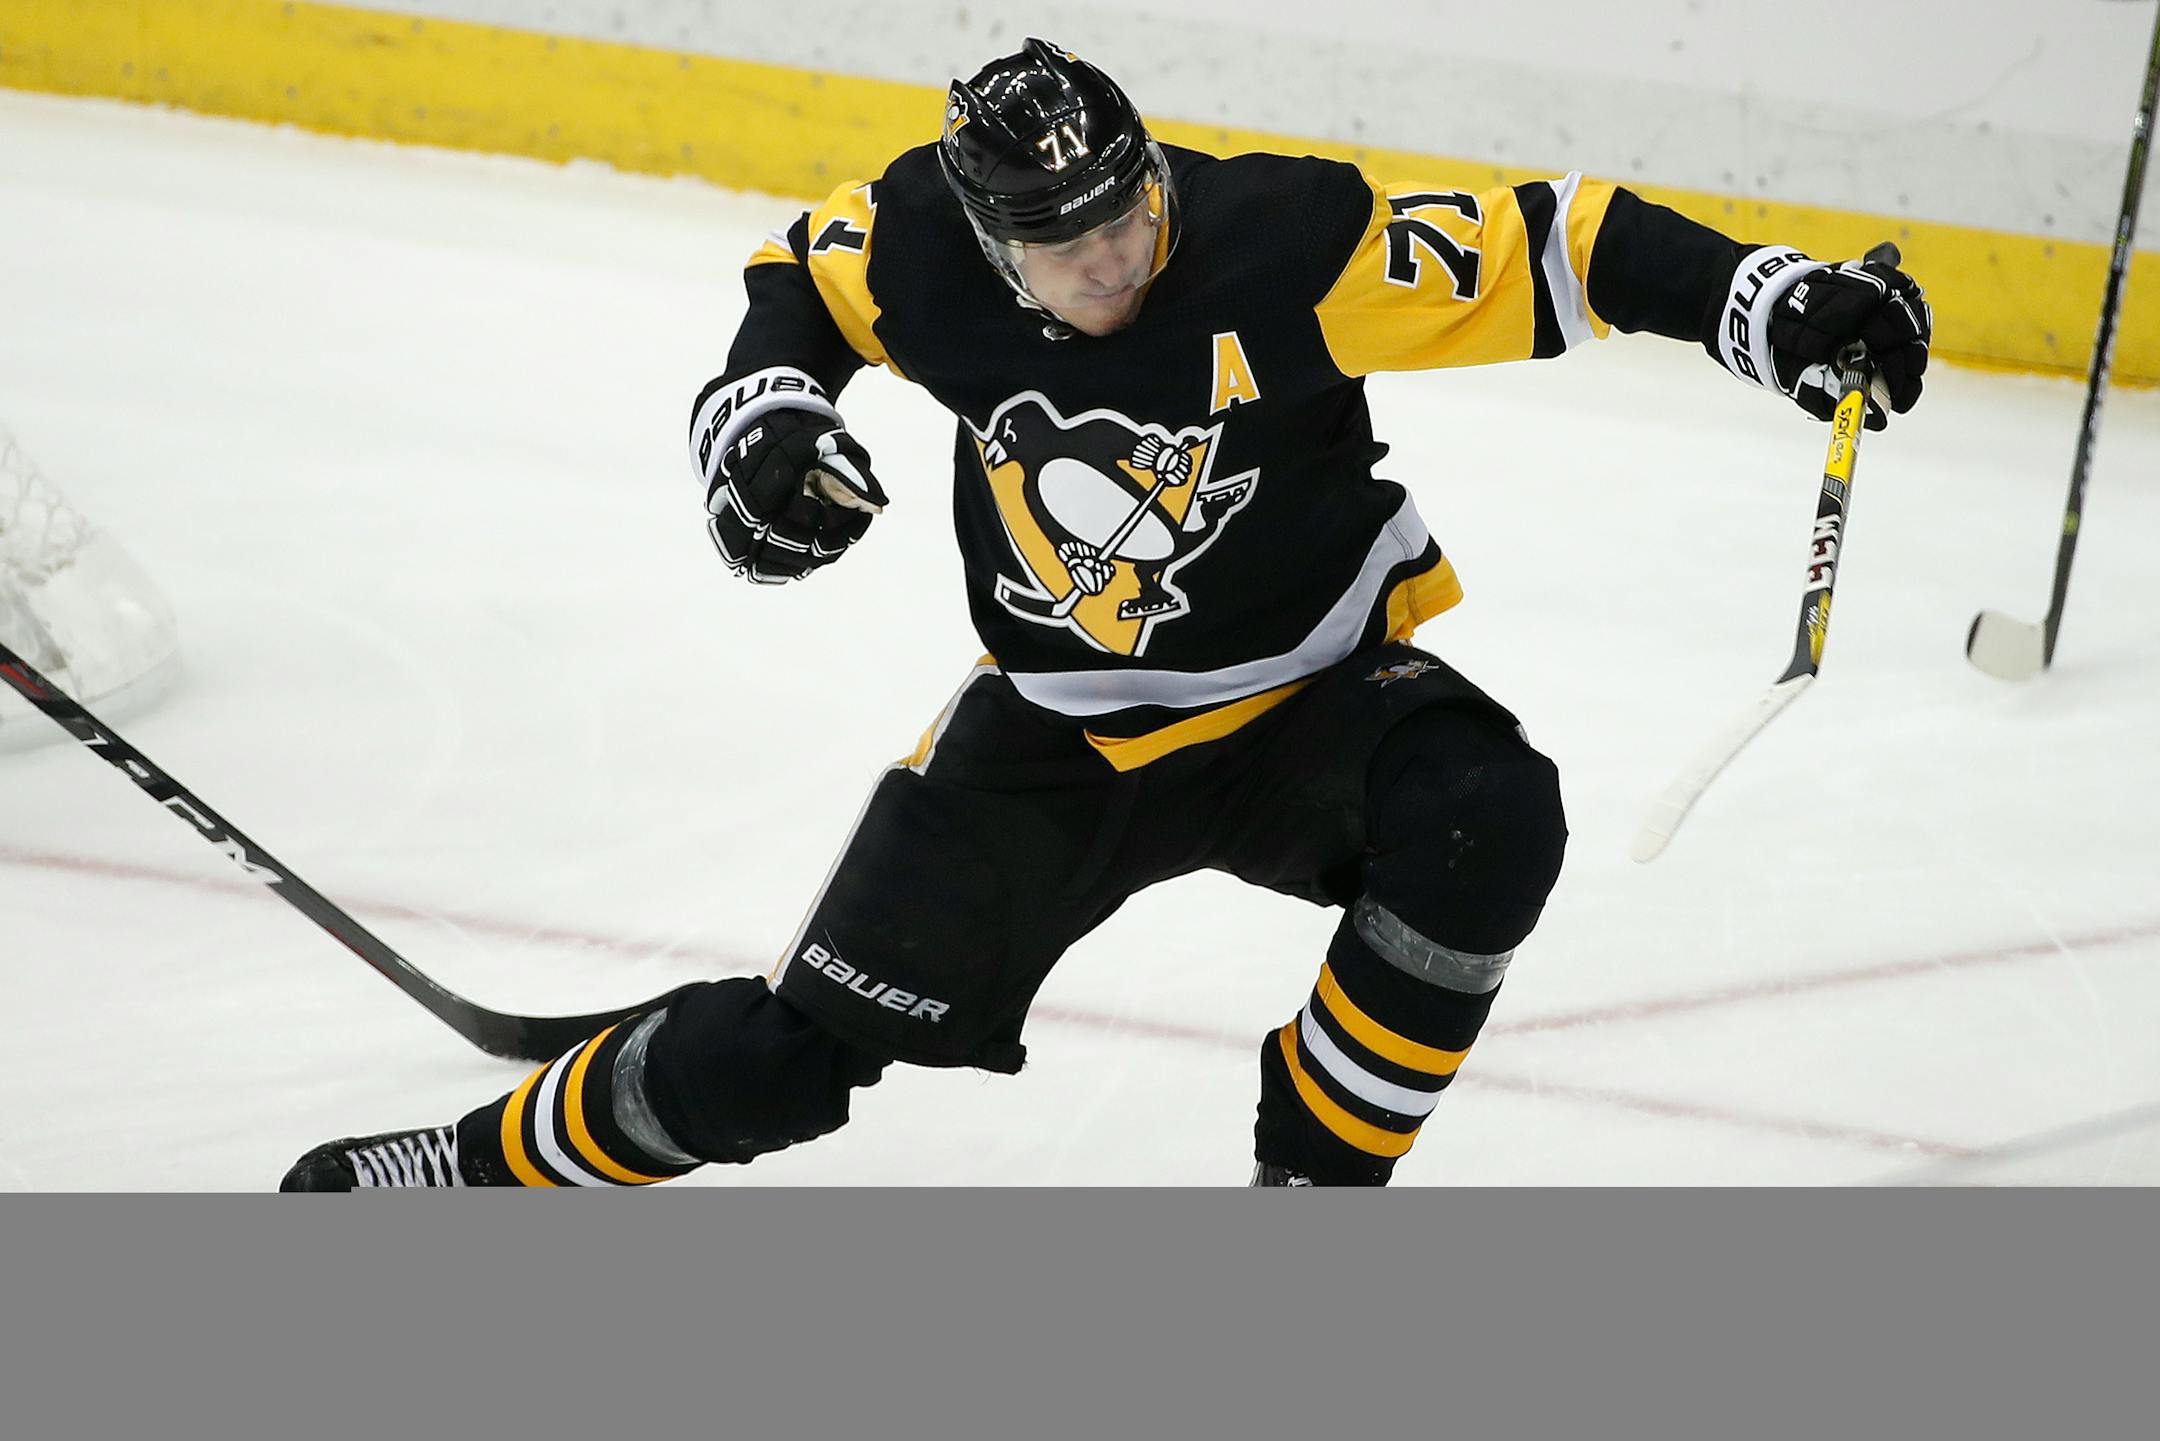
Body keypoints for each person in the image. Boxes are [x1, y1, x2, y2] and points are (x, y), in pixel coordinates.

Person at [282, 39, 1929, 1189]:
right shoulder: (921, 245)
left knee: (1490, 817)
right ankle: (474, 1166)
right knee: (784, 1066)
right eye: (1066, 252)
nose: (1114, 261)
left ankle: (1316, 1177)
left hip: (1312, 699)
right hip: (1056, 739)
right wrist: (763, 436)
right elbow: (799, 293)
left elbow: (1564, 245)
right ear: (992, 248)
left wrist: (1775, 306)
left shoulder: (1283, 242)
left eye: (1129, 214)